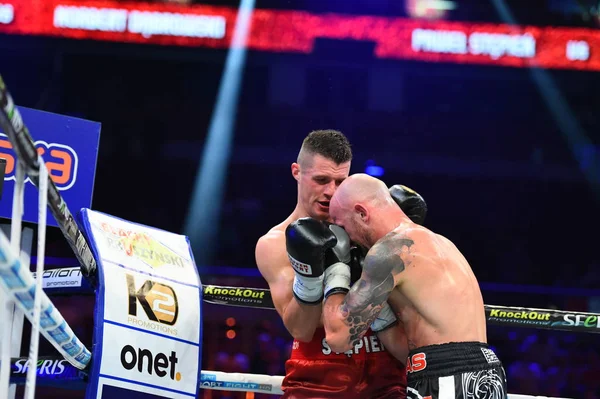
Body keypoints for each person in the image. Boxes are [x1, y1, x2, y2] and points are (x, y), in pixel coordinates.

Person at [255, 130, 427, 399]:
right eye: (321, 180)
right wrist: (309, 277)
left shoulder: (369, 229)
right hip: (316, 382)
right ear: (296, 172)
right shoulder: (274, 244)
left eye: (340, 181)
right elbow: (300, 328)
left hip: (386, 379)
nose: (330, 192)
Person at [321, 174, 508, 399]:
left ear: (362, 213)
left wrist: (335, 268)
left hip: (447, 380)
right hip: (484, 374)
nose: (345, 239)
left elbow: (338, 337)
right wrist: (379, 310)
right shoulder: (440, 242)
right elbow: (414, 352)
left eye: (341, 226)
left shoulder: (390, 250)